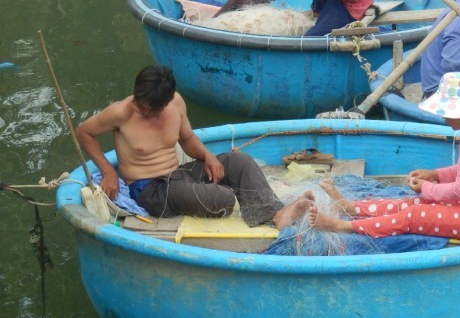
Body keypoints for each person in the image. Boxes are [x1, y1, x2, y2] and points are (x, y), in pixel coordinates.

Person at [76, 65, 312, 228]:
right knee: (224, 199)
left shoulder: (176, 102)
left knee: (240, 162)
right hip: (150, 189)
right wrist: (108, 171)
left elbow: (187, 140)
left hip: (179, 175)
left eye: (150, 108)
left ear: (165, 101)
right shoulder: (121, 112)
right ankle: (246, 205)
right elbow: (84, 132)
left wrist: (208, 156)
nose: (143, 110)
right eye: (141, 103)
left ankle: (276, 214)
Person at [309, 72, 460, 242]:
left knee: (414, 216)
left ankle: (343, 226)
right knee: (413, 202)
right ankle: (351, 207)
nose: (443, 116)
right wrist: (435, 175)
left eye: (446, 110)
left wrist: (427, 188)